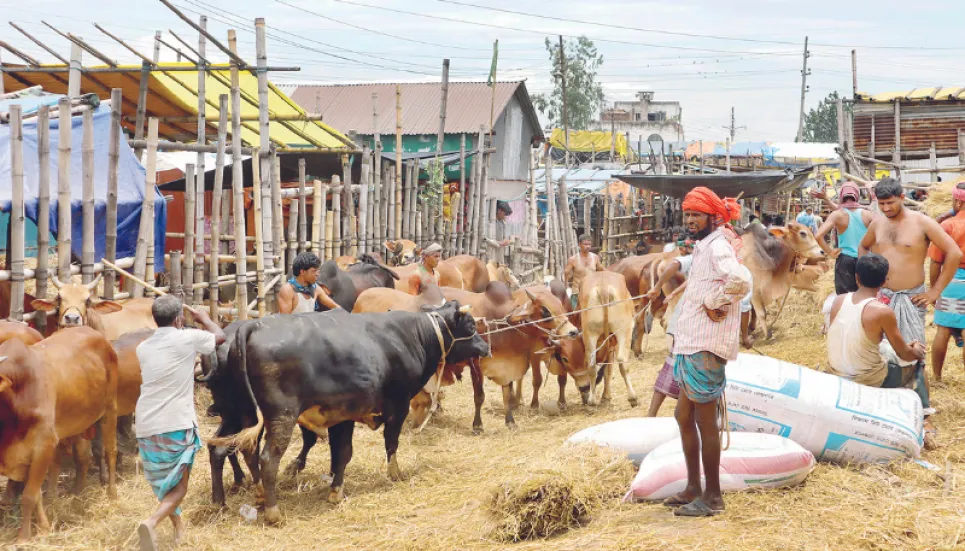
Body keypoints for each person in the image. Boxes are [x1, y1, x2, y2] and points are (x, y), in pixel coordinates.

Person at [662, 186, 749, 517]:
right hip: (691, 341)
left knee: (704, 420)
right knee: (683, 416)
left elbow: (740, 282)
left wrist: (714, 302)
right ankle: (694, 487)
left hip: (705, 345)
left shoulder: (719, 247)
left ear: (713, 217)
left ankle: (712, 496)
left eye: (696, 214)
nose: (690, 219)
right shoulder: (705, 245)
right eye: (687, 214)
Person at [134, 295, 226, 551]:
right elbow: (220, 337)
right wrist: (205, 319)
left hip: (145, 423)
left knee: (165, 483)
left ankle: (179, 530)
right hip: (175, 422)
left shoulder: (143, 347)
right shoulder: (187, 337)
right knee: (179, 489)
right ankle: (151, 523)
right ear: (178, 319)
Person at [826, 254, 933, 441]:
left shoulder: (838, 300)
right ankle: (925, 419)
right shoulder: (882, 311)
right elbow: (905, 354)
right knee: (918, 366)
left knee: (884, 350)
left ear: (857, 277)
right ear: (884, 281)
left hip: (836, 373)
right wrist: (915, 350)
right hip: (867, 378)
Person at [859, 178, 962, 350]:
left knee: (914, 353)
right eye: (881, 203)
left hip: (912, 298)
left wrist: (935, 291)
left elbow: (954, 253)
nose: (885, 208)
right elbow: (863, 245)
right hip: (881, 297)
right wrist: (866, 281)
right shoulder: (877, 224)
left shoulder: (922, 222)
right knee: (881, 352)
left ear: (902, 197)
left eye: (890, 203)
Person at [928, 182, 965, 382]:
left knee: (943, 330)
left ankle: (937, 378)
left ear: (958, 202)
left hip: (952, 280)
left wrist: (935, 290)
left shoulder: (947, 226)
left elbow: (935, 262)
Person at [814, 182, 876, 294]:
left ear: (841, 196)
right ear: (857, 195)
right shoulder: (868, 214)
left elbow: (818, 236)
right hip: (866, 259)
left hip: (845, 261)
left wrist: (830, 252)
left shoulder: (837, 215)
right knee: (866, 295)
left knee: (845, 297)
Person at [564, 234, 603, 310]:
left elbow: (601, 269)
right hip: (577, 293)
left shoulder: (595, 257)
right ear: (579, 244)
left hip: (592, 292)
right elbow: (566, 272)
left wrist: (612, 274)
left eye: (589, 244)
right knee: (576, 315)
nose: (588, 246)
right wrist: (566, 285)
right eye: (585, 244)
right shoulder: (573, 259)